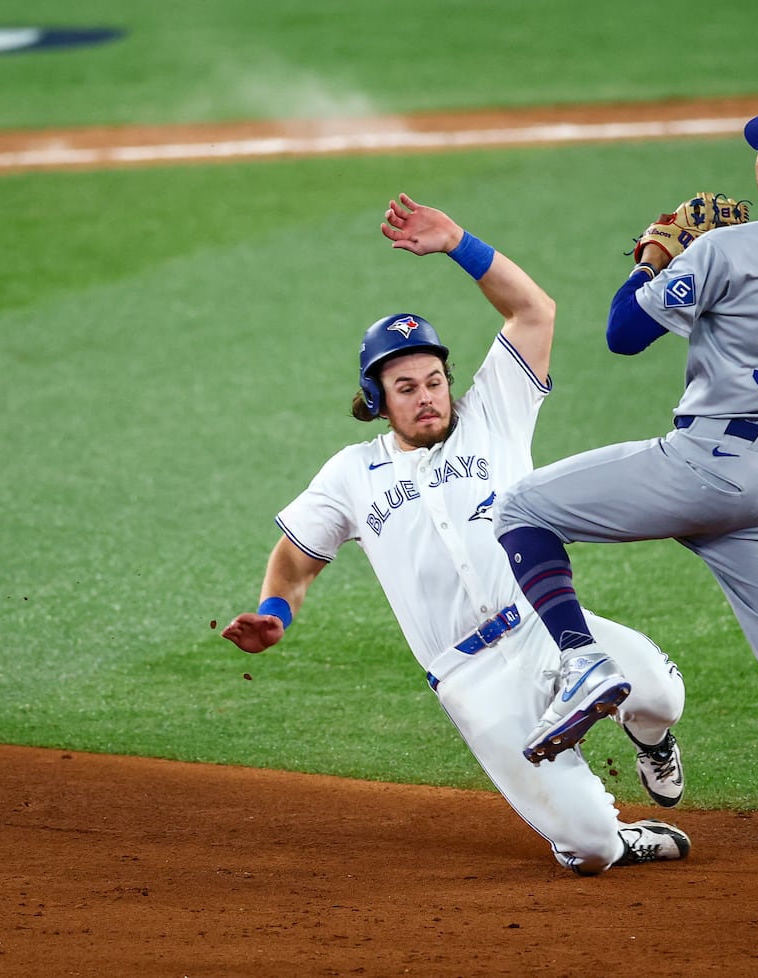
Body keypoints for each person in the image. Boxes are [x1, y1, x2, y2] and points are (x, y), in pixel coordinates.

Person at [492, 102, 758, 940]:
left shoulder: (725, 249)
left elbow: (621, 334)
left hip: (705, 465)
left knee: (524, 509)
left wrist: (659, 251)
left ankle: (583, 664)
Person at [221, 193, 689, 876]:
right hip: (471, 680)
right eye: (406, 386)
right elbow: (296, 560)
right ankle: (607, 835)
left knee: (661, 695)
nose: (428, 395)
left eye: (434, 379)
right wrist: (273, 613)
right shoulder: (352, 473)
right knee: (589, 852)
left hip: (544, 629)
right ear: (377, 399)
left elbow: (535, 311)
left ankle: (651, 742)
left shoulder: (493, 415)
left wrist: (458, 243)